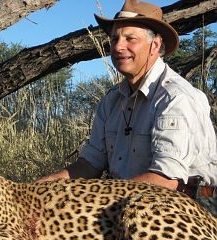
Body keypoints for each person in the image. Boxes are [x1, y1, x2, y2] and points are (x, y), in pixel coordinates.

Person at [37, 0, 217, 199]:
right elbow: (90, 164)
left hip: (183, 211)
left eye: (130, 39)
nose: (118, 47)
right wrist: (42, 187)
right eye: (114, 39)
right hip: (125, 202)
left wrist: (95, 199)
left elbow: (165, 181)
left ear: (155, 45)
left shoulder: (175, 98)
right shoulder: (112, 100)